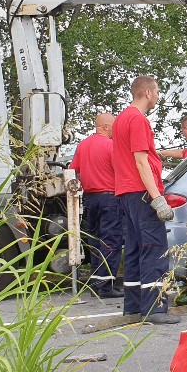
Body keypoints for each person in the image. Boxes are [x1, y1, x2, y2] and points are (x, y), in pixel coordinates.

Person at [111, 75, 181, 325]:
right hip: (142, 193)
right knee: (154, 249)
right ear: (148, 92)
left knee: (133, 250)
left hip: (126, 194)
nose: (158, 96)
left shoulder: (120, 119)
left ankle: (133, 308)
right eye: (157, 91)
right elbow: (141, 161)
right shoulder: (138, 120)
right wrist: (157, 198)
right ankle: (155, 308)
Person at [69, 112, 123, 298]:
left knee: (95, 241)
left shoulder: (83, 145)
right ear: (106, 127)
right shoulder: (111, 145)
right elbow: (121, 169)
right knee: (111, 241)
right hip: (110, 198)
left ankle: (96, 284)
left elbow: (73, 171)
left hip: (90, 199)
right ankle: (106, 286)